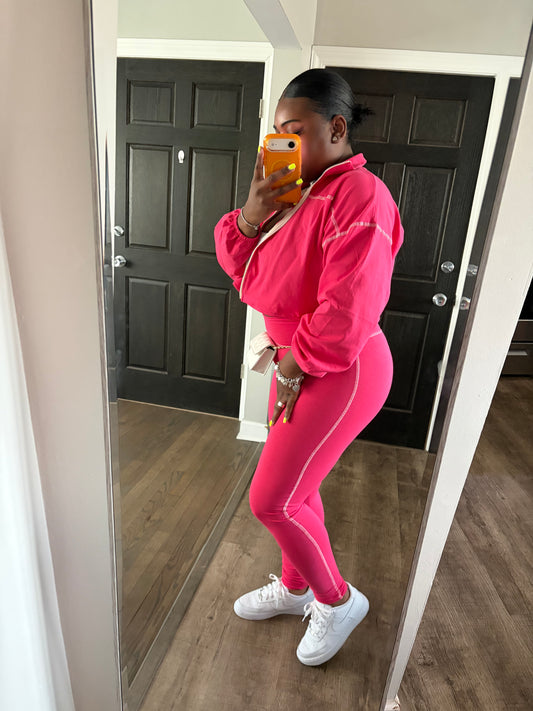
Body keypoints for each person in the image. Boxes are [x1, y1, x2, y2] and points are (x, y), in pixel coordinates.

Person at [214, 68, 404, 666]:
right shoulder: (295, 192)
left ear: (337, 128)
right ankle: (296, 588)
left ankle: (337, 599)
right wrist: (252, 213)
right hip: (296, 361)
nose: (284, 144)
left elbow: (348, 308)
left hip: (341, 367)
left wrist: (294, 366)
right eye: (278, 133)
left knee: (272, 500)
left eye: (294, 131)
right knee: (300, 487)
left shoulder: (361, 195)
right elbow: (243, 269)